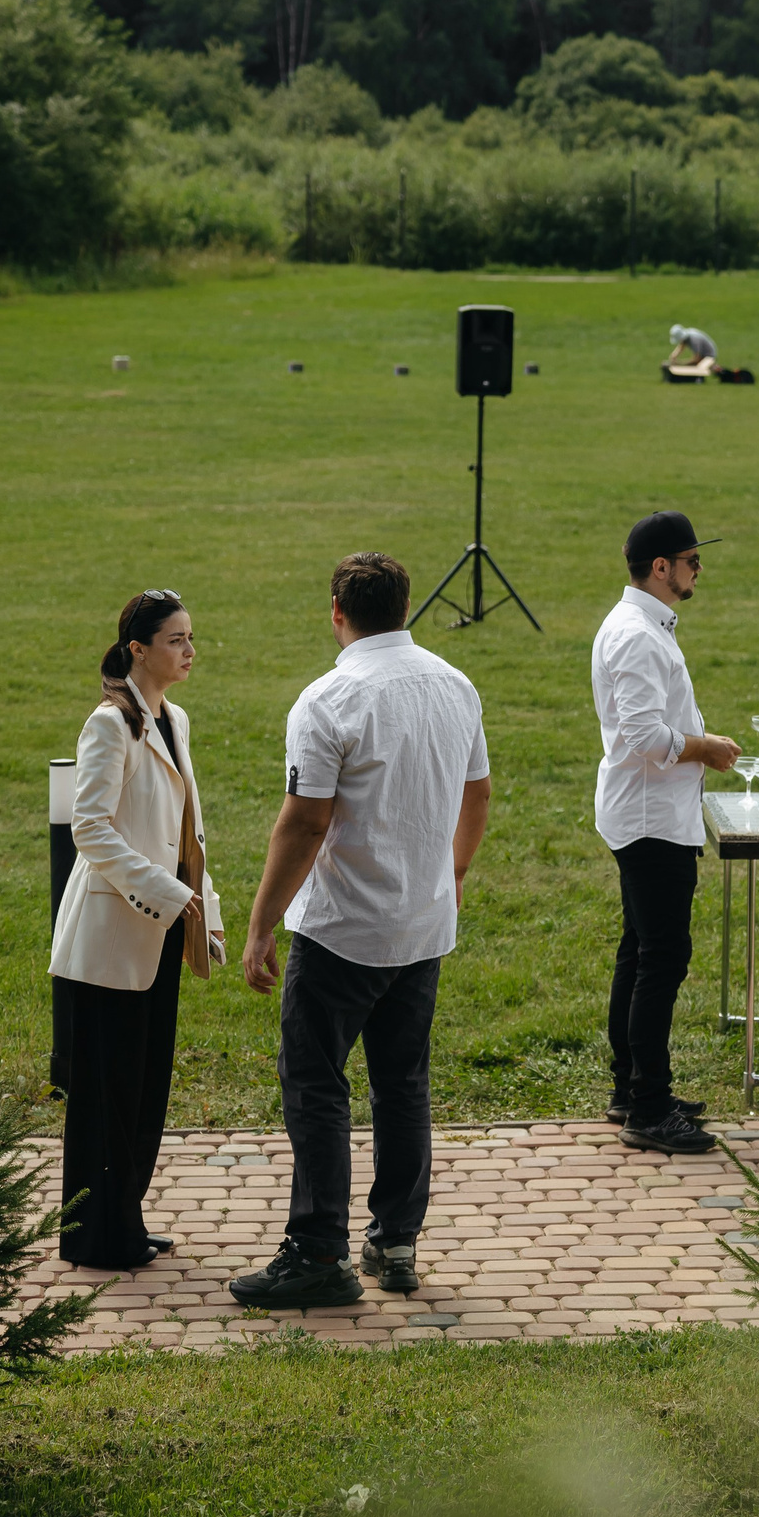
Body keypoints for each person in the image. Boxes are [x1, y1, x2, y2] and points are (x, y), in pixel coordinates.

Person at [229, 553, 493, 1310]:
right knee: (402, 1084)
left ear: (335, 609)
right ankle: (397, 1240)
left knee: (314, 1083)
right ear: (404, 606)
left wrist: (260, 926)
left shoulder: (328, 699)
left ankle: (317, 1250)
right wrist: (455, 873)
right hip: (422, 922)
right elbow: (478, 791)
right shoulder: (455, 684)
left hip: (343, 928)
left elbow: (304, 821)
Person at [49, 590, 225, 1271]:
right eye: (176, 639)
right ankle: (93, 1237)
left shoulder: (174, 717)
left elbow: (186, 832)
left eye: (190, 637)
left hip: (160, 936)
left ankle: (125, 1220)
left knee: (144, 1089)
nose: (189, 650)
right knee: (106, 1096)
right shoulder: (108, 725)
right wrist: (168, 893)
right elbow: (90, 828)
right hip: (112, 941)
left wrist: (200, 906)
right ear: (138, 650)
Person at [592, 511, 742, 1155]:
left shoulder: (642, 626)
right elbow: (645, 738)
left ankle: (632, 1088)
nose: (698, 569)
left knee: (640, 952)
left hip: (651, 816)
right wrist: (705, 746)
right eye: (691, 560)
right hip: (652, 821)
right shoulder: (637, 637)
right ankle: (648, 1108)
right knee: (662, 959)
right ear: (661, 567)